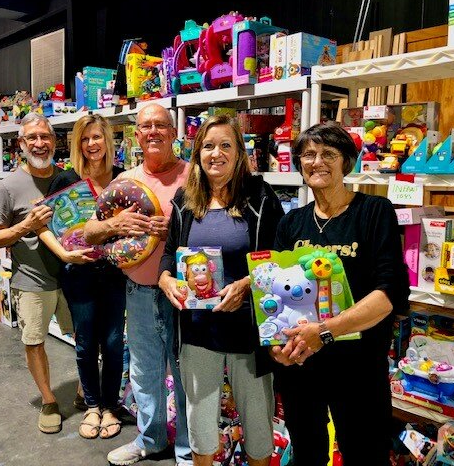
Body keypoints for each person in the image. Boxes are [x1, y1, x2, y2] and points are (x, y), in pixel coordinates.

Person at [270, 123, 410, 466]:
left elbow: (388, 293)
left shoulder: (374, 212)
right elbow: (273, 296)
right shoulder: (292, 224)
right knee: (307, 453)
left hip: (358, 369)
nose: (318, 162)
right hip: (302, 366)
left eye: (329, 154)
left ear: (347, 162)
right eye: (309, 154)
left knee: (366, 453)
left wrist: (326, 332)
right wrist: (277, 349)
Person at [157, 115, 284, 466]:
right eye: (209, 146)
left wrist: (246, 284)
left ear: (239, 153)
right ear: (198, 154)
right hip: (199, 331)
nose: (217, 153)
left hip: (250, 332)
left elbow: (279, 256)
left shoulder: (259, 196)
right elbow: (170, 254)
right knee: (200, 426)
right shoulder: (185, 200)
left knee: (258, 426)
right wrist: (166, 279)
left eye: (226, 145)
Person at [83, 104, 192, 465]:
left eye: (161, 125)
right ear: (137, 136)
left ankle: (189, 451)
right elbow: (89, 231)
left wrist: (175, 229)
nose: (153, 131)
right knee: (145, 370)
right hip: (139, 292)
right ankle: (150, 438)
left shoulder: (194, 177)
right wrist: (117, 224)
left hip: (181, 293)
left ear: (173, 132)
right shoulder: (126, 181)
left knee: (184, 371)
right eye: (146, 126)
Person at [37, 114, 127, 440]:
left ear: (107, 140)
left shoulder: (122, 177)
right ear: (78, 143)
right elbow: (41, 225)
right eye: (85, 139)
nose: (92, 144)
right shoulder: (65, 180)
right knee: (86, 343)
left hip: (116, 273)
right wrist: (63, 255)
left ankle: (111, 406)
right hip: (79, 273)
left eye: (97, 137)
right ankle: (92, 406)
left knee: (115, 343)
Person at [0, 112, 73, 434]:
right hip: (32, 282)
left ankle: (84, 392)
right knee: (35, 341)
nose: (40, 143)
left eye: (45, 137)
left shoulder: (67, 179)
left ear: (54, 141)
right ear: (21, 144)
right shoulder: (7, 187)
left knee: (84, 337)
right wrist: (26, 226)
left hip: (72, 276)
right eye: (32, 138)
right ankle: (49, 400)